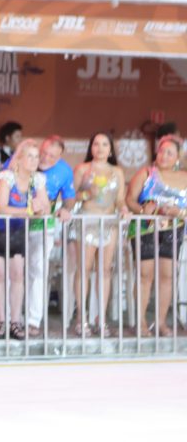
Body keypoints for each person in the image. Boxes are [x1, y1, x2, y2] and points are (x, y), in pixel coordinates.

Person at [5, 135, 76, 337]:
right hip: (15, 224)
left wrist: (65, 209)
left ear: (60, 157)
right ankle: (13, 318)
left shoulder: (64, 170)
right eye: (43, 153)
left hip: (42, 224)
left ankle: (33, 319)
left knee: (38, 270)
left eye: (52, 156)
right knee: (15, 271)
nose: (44, 158)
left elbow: (70, 198)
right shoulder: (23, 158)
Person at [125, 135, 187, 337]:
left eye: (170, 153)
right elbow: (129, 201)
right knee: (145, 275)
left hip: (173, 230)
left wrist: (178, 213)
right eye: (161, 151)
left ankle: (160, 322)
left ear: (178, 157)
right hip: (145, 229)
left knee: (167, 276)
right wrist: (144, 209)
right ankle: (140, 322)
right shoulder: (146, 173)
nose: (164, 156)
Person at [68, 132, 129, 337]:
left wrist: (124, 209)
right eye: (96, 144)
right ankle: (80, 318)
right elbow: (71, 198)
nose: (100, 148)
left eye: (104, 144)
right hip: (87, 221)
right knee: (83, 269)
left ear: (110, 149)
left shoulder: (117, 172)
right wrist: (86, 193)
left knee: (105, 270)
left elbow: (120, 199)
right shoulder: (82, 169)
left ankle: (101, 318)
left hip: (108, 223)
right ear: (90, 148)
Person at [0, 139, 49, 340]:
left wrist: (38, 209)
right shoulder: (7, 177)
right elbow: (2, 206)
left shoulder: (38, 180)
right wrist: (29, 211)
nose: (33, 161)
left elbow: (45, 207)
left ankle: (15, 321)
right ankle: (1, 320)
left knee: (17, 275)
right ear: (20, 158)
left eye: (36, 157)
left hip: (19, 231)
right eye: (29, 156)